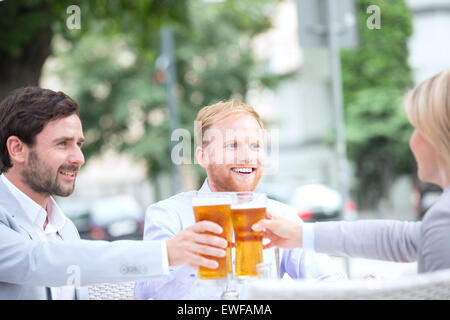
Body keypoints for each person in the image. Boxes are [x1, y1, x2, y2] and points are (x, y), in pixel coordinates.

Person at [0, 87, 227, 300]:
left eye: (79, 144)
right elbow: (39, 261)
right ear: (17, 149)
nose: (79, 158)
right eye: (62, 144)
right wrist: (165, 253)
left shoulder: (63, 228)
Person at [134, 100, 346, 300]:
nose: (247, 157)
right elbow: (143, 292)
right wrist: (180, 255)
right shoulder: (168, 216)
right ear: (203, 156)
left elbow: (331, 282)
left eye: (255, 146)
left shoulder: (279, 217)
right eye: (233, 146)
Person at [252, 69, 450, 274]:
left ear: (440, 136)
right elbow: (400, 238)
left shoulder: (444, 219)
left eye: (417, 128)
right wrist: (299, 234)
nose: (412, 140)